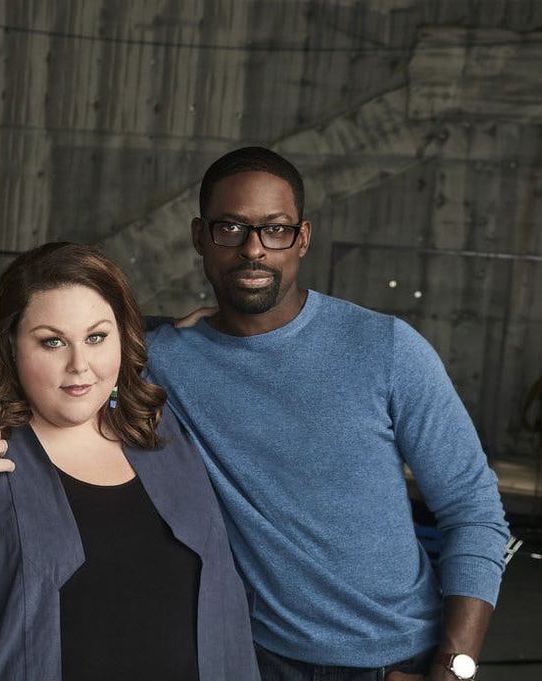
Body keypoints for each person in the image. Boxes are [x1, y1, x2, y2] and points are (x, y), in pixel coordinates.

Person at [146, 146, 509, 681]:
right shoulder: (165, 361)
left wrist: (453, 669)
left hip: (399, 658)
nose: (253, 248)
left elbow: (473, 508)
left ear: (303, 238)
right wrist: (147, 324)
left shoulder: (387, 347)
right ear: (200, 236)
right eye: (231, 228)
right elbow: (57, 337)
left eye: (275, 229)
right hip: (255, 656)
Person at [0, 243, 261, 681]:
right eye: (52, 342)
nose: (80, 365)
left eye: (96, 338)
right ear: (11, 345)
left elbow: (221, 604)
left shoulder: (158, 428)